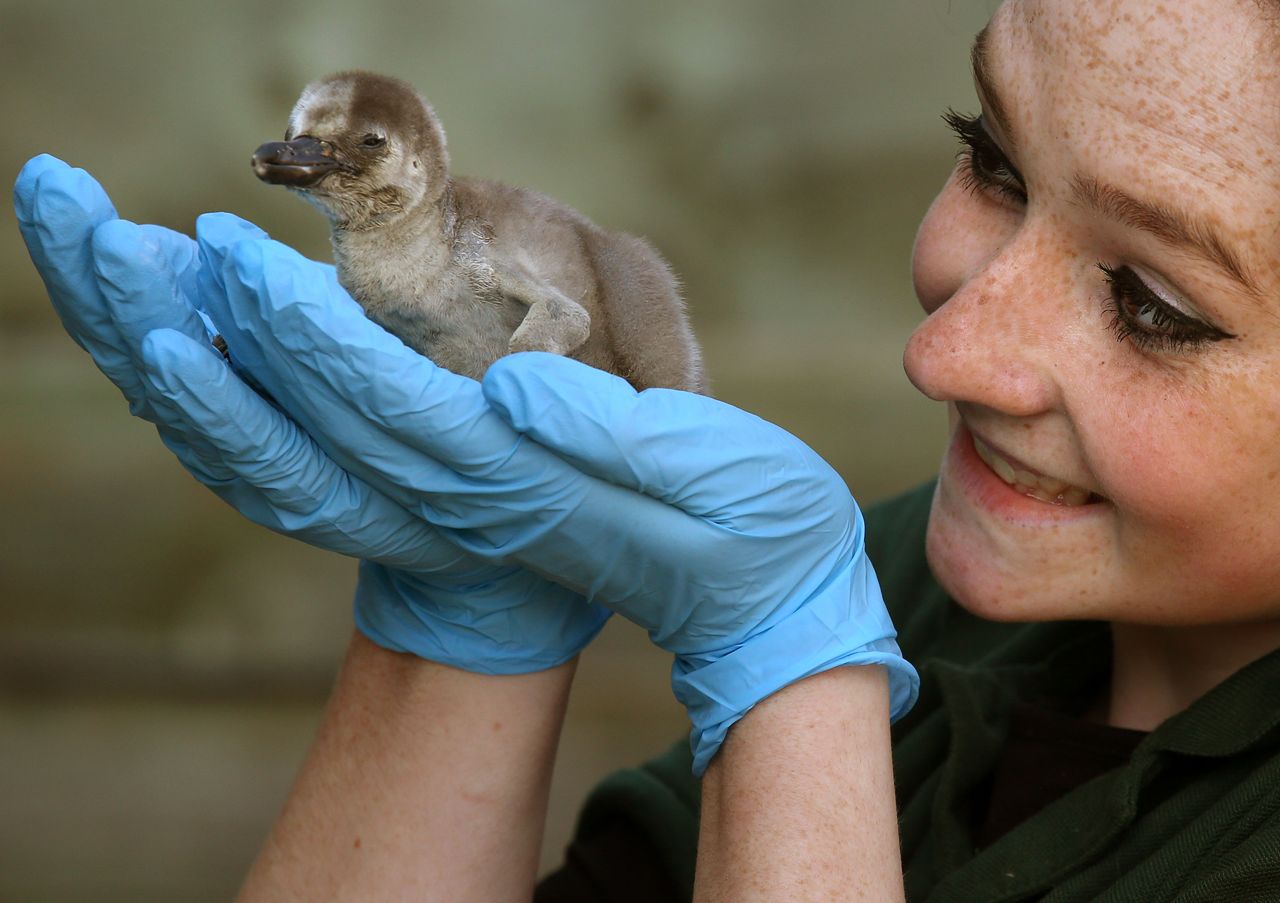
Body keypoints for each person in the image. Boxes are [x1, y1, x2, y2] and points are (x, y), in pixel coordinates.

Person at [15, 0, 1280, 898]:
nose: (939, 354)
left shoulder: (830, 610)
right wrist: (465, 626)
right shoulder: (914, 586)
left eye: (1152, 307)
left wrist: (792, 689)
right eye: (991, 158)